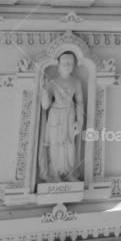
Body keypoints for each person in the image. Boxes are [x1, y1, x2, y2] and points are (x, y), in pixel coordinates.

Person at [38, 52, 84, 182]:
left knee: (70, 144)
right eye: (65, 63)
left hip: (70, 114)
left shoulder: (76, 82)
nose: (68, 65)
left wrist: (80, 121)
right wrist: (44, 92)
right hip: (55, 115)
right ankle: (55, 173)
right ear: (59, 64)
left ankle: (69, 172)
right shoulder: (53, 82)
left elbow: (80, 101)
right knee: (55, 144)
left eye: (71, 63)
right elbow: (45, 106)